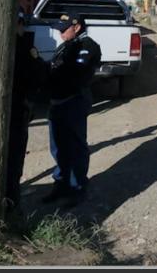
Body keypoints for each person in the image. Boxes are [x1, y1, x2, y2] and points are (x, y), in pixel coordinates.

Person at [41, 13, 101, 207]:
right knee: (58, 146)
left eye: (63, 29)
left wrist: (54, 72)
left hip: (74, 100)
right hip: (57, 102)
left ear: (76, 27)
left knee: (75, 145)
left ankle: (77, 187)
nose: (60, 33)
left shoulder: (87, 46)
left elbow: (76, 73)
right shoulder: (65, 46)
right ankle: (61, 183)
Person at [7, 8, 45, 211]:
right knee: (13, 159)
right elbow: (38, 74)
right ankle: (12, 205)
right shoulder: (23, 46)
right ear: (19, 23)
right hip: (17, 109)